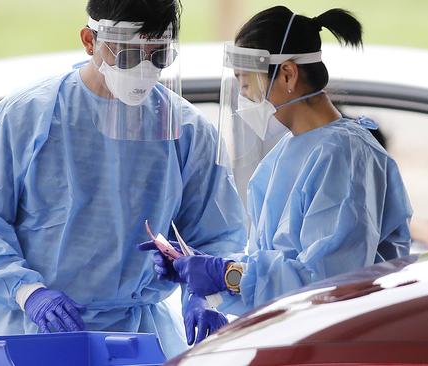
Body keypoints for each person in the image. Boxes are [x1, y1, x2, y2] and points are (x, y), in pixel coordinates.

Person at [0, 0, 246, 358]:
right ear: (90, 41)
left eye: (158, 55)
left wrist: (205, 294)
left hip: (136, 339)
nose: (145, 69)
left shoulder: (185, 130)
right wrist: (28, 292)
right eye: (130, 54)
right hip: (36, 331)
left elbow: (215, 235)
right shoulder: (31, 116)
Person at [140, 6, 413, 340]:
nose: (243, 96)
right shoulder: (288, 153)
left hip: (339, 341)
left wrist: (224, 274)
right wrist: (198, 271)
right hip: (296, 337)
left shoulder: (346, 157)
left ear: (287, 75)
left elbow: (326, 280)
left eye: (246, 83)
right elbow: (272, 264)